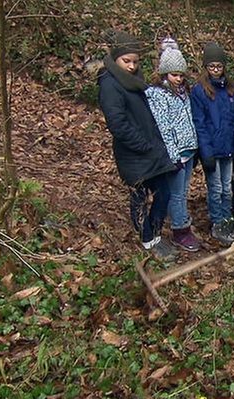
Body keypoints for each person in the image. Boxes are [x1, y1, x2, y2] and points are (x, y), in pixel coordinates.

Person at [98, 30, 176, 260]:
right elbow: (118, 123)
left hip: (151, 150)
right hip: (134, 153)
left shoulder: (135, 82)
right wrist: (142, 144)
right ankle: (147, 240)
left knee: (164, 193)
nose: (132, 66)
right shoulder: (109, 84)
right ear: (116, 59)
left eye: (135, 61)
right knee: (140, 198)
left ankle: (155, 233)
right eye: (126, 61)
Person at [145, 38, 200, 252]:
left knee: (183, 192)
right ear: (164, 74)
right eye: (174, 75)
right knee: (176, 194)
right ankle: (180, 231)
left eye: (181, 75)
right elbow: (164, 128)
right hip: (175, 154)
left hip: (188, 151)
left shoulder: (184, 93)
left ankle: (181, 221)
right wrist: (173, 156)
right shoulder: (158, 95)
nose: (178, 79)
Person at [190, 42, 234, 245]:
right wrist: (206, 152)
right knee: (215, 188)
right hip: (212, 149)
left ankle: (227, 221)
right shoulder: (199, 91)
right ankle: (217, 223)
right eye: (211, 66)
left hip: (229, 149)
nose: (215, 70)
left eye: (219, 67)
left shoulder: (231, 90)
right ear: (206, 67)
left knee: (227, 188)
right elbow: (200, 123)